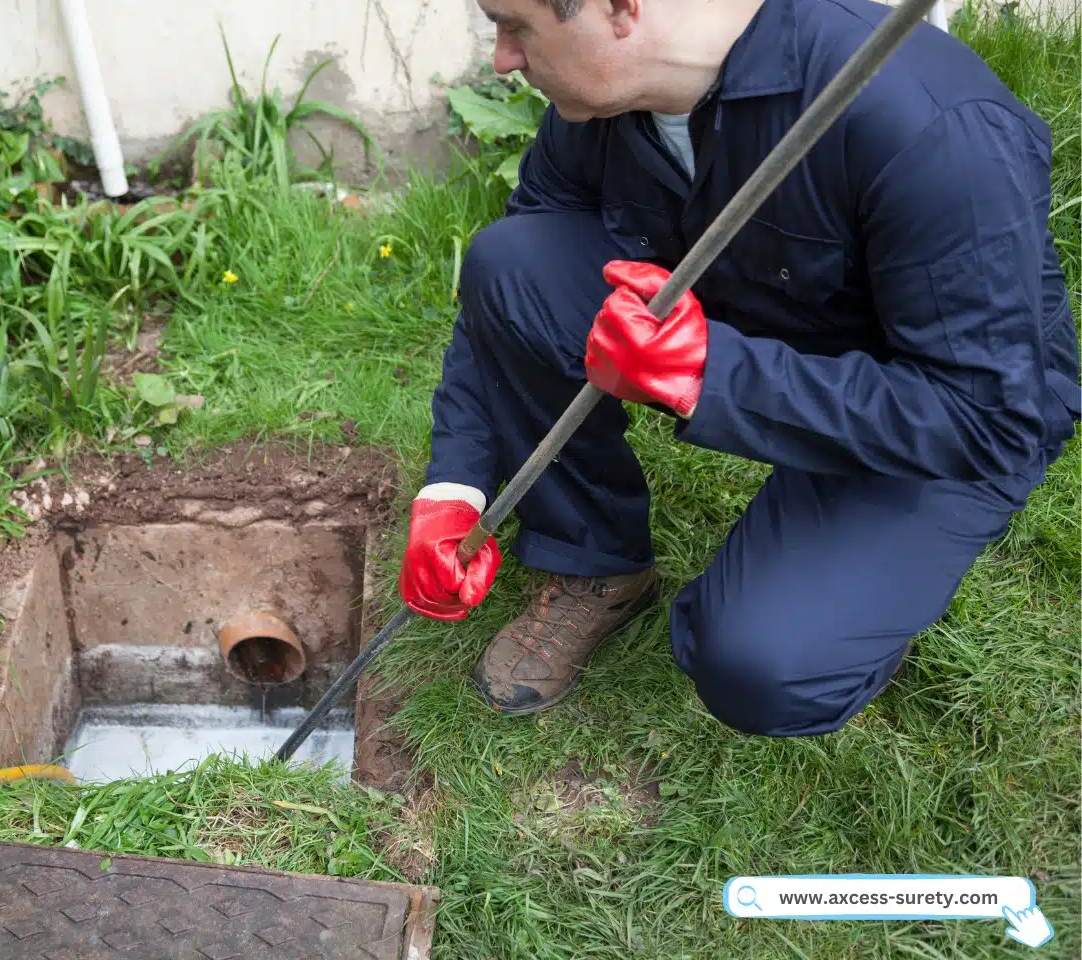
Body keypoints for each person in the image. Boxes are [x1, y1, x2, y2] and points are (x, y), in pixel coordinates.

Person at [397, 0, 1080, 736]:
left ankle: (838, 567)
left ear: (622, 9)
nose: (501, 57)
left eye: (516, 26)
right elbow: (507, 284)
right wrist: (455, 484)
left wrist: (709, 374)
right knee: (513, 260)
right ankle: (593, 561)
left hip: (936, 408)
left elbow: (988, 419)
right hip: (756, 315)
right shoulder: (605, 104)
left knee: (763, 664)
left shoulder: (927, 122)